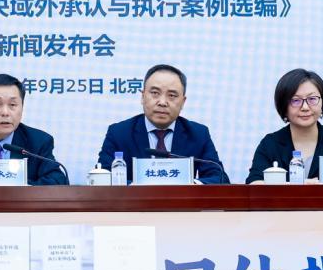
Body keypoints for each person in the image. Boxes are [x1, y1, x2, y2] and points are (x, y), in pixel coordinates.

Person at [97, 64, 228, 184]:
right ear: (142, 96)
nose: (162, 102)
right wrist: (138, 187)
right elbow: (103, 178)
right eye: (155, 93)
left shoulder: (198, 134)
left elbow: (220, 178)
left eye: (172, 95)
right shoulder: (119, 133)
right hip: (134, 202)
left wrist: (190, 186)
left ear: (183, 102)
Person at [246, 69, 323, 183]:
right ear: (283, 106)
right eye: (295, 100)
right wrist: (294, 187)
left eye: (312, 99)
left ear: (322, 102)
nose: (305, 107)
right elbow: (254, 183)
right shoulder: (270, 144)